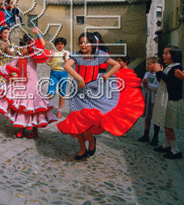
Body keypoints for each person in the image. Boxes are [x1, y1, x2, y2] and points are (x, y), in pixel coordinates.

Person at [57, 32, 144, 160]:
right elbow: (66, 66)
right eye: (81, 42)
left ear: (92, 44)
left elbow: (116, 65)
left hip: (93, 91)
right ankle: (82, 149)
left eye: (85, 42)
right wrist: (79, 78)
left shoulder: (99, 55)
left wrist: (106, 76)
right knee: (76, 120)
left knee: (87, 119)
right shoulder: (76, 55)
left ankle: (91, 141)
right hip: (77, 92)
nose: (83, 45)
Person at [0, 27, 57, 138]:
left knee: (32, 106)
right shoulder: (18, 56)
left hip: (32, 84)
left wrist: (38, 34)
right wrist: (13, 76)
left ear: (29, 48)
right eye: (20, 47)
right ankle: (21, 127)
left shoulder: (34, 56)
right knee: (20, 107)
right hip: (20, 84)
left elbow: (42, 45)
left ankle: (34, 130)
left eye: (23, 47)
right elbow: (11, 67)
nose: (21, 49)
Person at [152, 46, 184, 159]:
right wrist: (158, 72)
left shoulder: (177, 68)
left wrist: (159, 72)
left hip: (171, 100)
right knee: (166, 124)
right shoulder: (169, 67)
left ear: (174, 55)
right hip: (166, 98)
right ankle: (166, 145)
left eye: (166, 53)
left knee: (168, 126)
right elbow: (162, 80)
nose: (163, 55)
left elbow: (170, 83)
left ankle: (175, 150)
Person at [137, 57, 161, 146]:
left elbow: (158, 87)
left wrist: (148, 85)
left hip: (153, 97)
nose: (147, 65)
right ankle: (146, 134)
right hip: (146, 96)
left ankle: (155, 137)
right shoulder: (147, 73)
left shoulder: (158, 75)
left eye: (149, 64)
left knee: (155, 117)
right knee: (147, 116)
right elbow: (142, 85)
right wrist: (143, 83)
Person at [46, 37, 70, 118]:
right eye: (58, 44)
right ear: (56, 45)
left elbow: (68, 64)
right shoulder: (52, 52)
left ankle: (59, 110)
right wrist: (52, 55)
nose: (60, 46)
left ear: (64, 45)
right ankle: (48, 110)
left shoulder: (66, 53)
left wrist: (64, 58)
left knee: (62, 92)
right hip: (54, 73)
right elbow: (48, 63)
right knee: (50, 92)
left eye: (62, 44)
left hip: (63, 73)